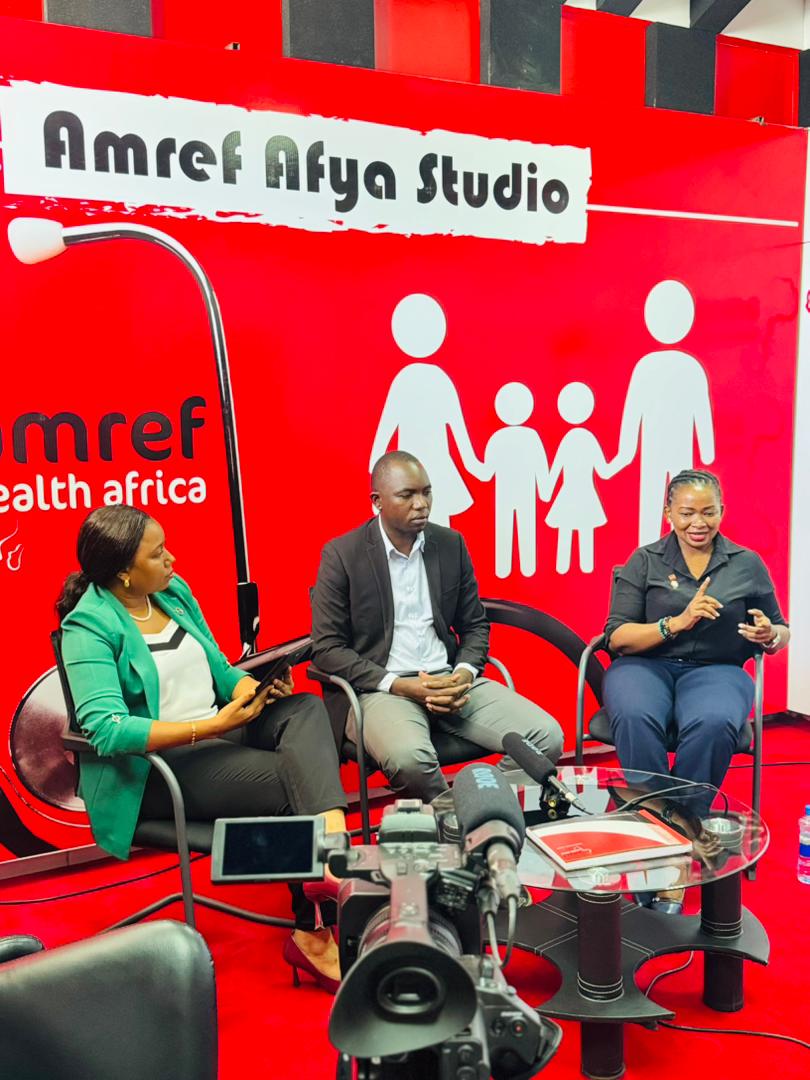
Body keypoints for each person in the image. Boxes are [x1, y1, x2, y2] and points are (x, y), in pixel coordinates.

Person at [58, 505, 348, 992]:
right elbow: (108, 730)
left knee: (303, 709)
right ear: (124, 572)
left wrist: (248, 690)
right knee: (289, 782)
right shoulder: (87, 628)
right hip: (156, 770)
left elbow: (219, 668)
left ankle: (332, 849)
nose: (171, 559)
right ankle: (315, 928)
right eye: (158, 554)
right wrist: (210, 726)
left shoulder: (172, 593)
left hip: (217, 731)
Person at [311, 450, 564, 803]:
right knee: (410, 760)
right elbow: (327, 649)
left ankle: (480, 804)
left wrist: (463, 673)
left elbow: (475, 625)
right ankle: (457, 816)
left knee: (546, 736)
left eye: (426, 492)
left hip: (451, 681)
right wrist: (400, 685)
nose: (421, 504)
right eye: (407, 495)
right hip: (383, 689)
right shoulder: (342, 555)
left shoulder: (450, 544)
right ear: (377, 501)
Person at [602, 469, 789, 912]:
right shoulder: (644, 560)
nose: (698, 522)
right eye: (687, 512)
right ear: (668, 512)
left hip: (717, 669)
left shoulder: (746, 563)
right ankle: (657, 828)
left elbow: (780, 629)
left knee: (715, 720)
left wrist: (770, 635)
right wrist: (677, 622)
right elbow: (616, 637)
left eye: (708, 512)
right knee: (635, 713)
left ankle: (678, 835)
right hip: (645, 665)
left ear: (723, 511)